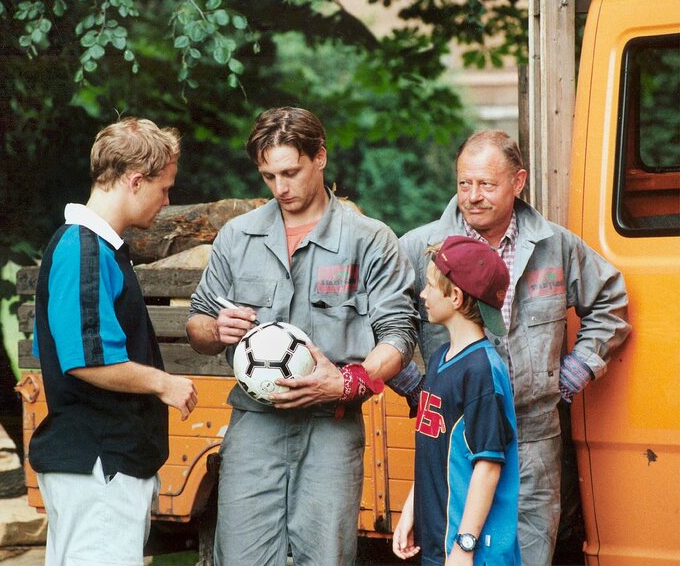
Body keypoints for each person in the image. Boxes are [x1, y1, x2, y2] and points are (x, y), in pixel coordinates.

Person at [186, 106, 418, 565]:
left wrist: (350, 382)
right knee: (240, 556)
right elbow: (197, 321)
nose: (280, 188)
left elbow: (398, 334)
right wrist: (214, 329)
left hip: (331, 425)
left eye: (290, 172)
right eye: (268, 176)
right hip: (254, 426)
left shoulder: (369, 239)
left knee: (326, 557)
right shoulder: (238, 236)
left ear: (321, 158)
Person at [395, 130, 631, 566]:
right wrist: (418, 388)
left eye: (487, 184)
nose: (473, 196)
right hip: (458, 441)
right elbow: (385, 322)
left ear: (518, 182)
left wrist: (572, 374)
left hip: (534, 437)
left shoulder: (554, 245)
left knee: (528, 555)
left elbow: (611, 302)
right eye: (465, 183)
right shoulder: (419, 248)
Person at [29, 117, 199, 566]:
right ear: (135, 180)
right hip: (98, 465)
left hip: (101, 464)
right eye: (164, 188)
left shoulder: (98, 249)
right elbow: (86, 359)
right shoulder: (82, 249)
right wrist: (164, 384)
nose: (167, 201)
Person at [392, 235, 520, 565]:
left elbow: (488, 466)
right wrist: (410, 512)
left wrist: (465, 546)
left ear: (456, 297)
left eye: (431, 285)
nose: (422, 294)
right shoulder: (438, 359)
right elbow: (432, 450)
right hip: (437, 541)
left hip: (473, 551)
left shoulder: (481, 370)